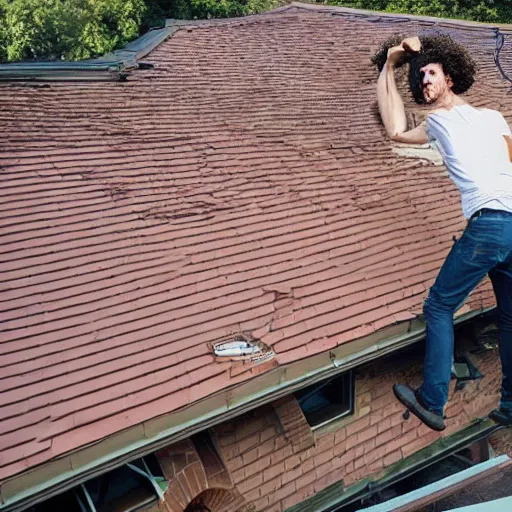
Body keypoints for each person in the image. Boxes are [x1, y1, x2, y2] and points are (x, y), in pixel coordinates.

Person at [376, 35, 512, 431]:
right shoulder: (495, 117)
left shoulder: (440, 121)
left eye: (431, 73)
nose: (424, 81)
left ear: (450, 78)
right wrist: (393, 65)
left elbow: (395, 130)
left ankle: (432, 400)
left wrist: (391, 61)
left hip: (489, 226)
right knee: (509, 320)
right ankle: (510, 404)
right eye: (418, 77)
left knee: (438, 307)